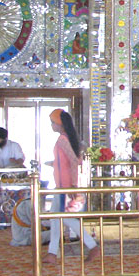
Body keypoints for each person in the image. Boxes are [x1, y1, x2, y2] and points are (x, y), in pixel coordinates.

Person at [43, 109, 99, 264]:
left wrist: (73, 185)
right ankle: (52, 253)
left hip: (66, 186)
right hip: (63, 184)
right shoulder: (69, 138)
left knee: (65, 218)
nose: (51, 126)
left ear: (59, 124)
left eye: (52, 123)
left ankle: (92, 246)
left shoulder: (62, 139)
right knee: (55, 218)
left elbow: (74, 161)